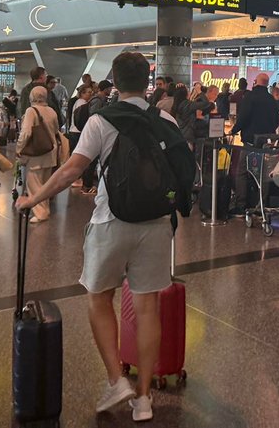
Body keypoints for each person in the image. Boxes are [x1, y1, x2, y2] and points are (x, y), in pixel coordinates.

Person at [15, 52, 182, 422]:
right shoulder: (165, 119)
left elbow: (72, 170)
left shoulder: (101, 119)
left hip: (111, 221)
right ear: (148, 80)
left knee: (99, 298)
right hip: (156, 224)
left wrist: (33, 199)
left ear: (116, 81)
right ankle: (142, 398)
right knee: (148, 307)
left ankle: (115, 379)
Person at [17, 86, 60, 223]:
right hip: (50, 152)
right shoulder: (52, 111)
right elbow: (56, 130)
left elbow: (26, 133)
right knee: (45, 185)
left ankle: (40, 213)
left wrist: (19, 148)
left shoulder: (31, 111)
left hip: (36, 155)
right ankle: (44, 209)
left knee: (34, 184)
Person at [231, 73, 279, 145]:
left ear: (255, 82)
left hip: (250, 138)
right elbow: (276, 120)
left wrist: (234, 130)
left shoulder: (249, 97)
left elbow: (243, 117)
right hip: (267, 139)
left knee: (246, 155)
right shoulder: (272, 99)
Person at [170, 84, 213, 148]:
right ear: (185, 94)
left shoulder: (176, 104)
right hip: (187, 137)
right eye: (188, 91)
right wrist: (199, 92)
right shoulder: (188, 105)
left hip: (178, 135)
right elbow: (205, 103)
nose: (190, 92)